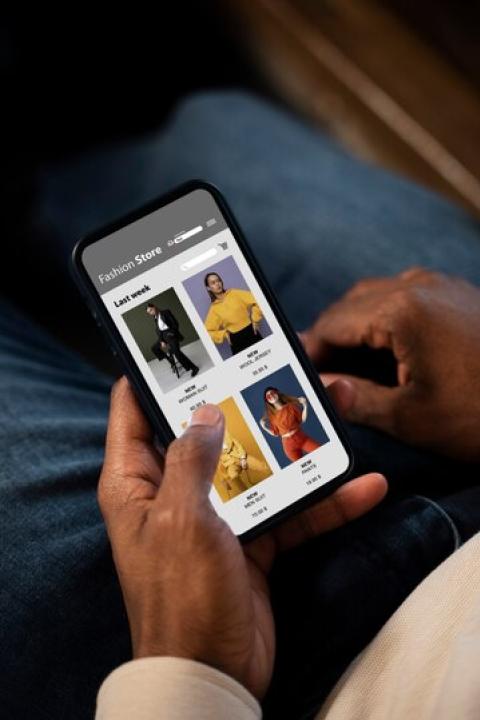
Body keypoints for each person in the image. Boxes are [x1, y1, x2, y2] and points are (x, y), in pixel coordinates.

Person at [3, 92, 480, 720]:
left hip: (274, 670)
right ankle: (40, 199)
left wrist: (188, 668)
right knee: (218, 126)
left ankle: (29, 201)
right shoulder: (215, 319)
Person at [204, 271, 263, 354]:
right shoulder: (214, 309)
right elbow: (206, 332)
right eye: (213, 283)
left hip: (252, 332)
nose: (217, 284)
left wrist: (255, 319)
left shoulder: (235, 293)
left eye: (218, 280)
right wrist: (224, 335)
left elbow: (258, 299)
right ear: (208, 288)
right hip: (236, 340)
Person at [260, 387, 321, 462]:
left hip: (302, 438)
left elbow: (303, 419)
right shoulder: (272, 416)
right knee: (302, 466)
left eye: (272, 393)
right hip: (288, 446)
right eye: (268, 396)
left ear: (277, 393)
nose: (271, 396)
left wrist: (305, 405)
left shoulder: (291, 406)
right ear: (268, 401)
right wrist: (264, 427)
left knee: (321, 453)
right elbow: (275, 433)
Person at [146, 301, 199, 378]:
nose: (151, 313)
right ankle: (171, 361)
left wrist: (171, 334)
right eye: (149, 312)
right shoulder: (155, 318)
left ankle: (194, 368)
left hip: (171, 334)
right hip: (163, 336)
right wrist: (161, 341)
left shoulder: (166, 312)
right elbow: (159, 331)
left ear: (154, 307)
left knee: (177, 353)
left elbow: (175, 324)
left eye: (151, 310)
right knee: (154, 348)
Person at [216, 428, 269, 501]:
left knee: (261, 466)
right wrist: (224, 480)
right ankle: (246, 494)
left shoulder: (226, 435)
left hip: (241, 457)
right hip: (230, 465)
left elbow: (239, 446)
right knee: (233, 475)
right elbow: (217, 466)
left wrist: (243, 458)